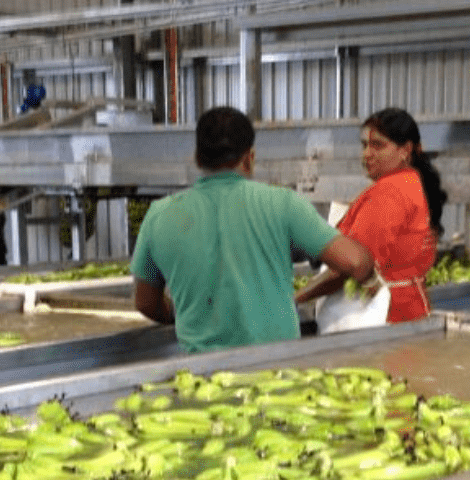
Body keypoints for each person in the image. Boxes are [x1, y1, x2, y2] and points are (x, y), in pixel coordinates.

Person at [131, 106, 374, 351]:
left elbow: (145, 302)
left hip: (203, 377)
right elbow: (355, 262)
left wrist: (182, 312)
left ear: (197, 158)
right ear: (250, 158)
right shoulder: (283, 204)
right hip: (275, 371)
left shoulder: (159, 216)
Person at [295, 107, 447, 323]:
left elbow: (352, 264)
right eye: (364, 145)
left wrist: (296, 298)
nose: (367, 154)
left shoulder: (391, 192)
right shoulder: (411, 183)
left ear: (405, 150)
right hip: (410, 311)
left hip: (386, 315)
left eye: (378, 145)